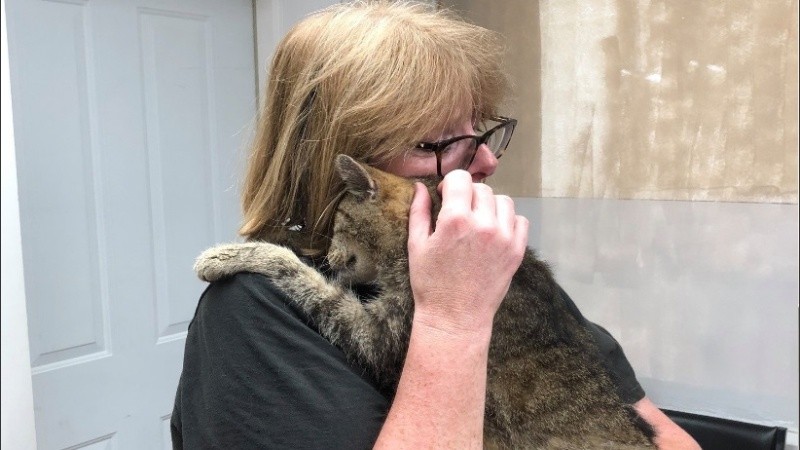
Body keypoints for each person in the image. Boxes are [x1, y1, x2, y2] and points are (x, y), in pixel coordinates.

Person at [170, 1, 700, 449]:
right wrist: (453, 320)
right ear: (341, 160)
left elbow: (664, 435)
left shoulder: (491, 262)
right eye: (434, 143)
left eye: (480, 129)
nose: (486, 162)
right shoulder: (253, 313)